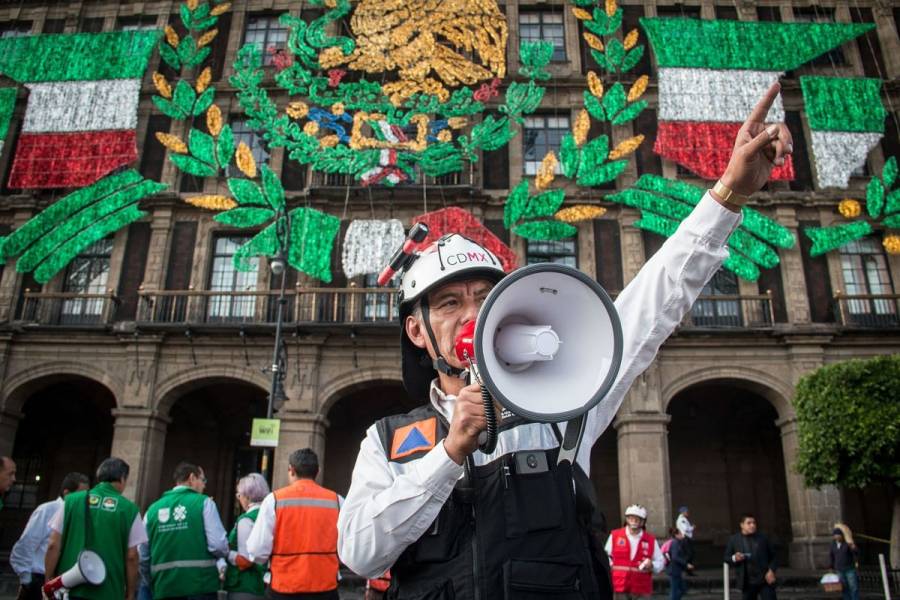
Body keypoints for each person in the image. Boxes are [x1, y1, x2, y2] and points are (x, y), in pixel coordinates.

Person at [336, 84, 793, 598]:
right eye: (448, 304)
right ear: (417, 330)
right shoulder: (387, 441)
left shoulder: (563, 410)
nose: (472, 314)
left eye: (485, 297)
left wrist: (729, 193)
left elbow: (650, 306)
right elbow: (360, 552)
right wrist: (449, 453)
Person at [44, 458, 146, 600]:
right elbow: (132, 556)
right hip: (109, 591)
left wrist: (49, 581)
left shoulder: (71, 501)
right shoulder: (130, 509)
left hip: (69, 589)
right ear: (122, 479)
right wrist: (130, 593)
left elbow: (53, 545)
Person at [247, 449, 341, 599]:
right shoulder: (336, 501)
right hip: (325, 588)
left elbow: (257, 550)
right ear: (318, 471)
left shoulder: (274, 500)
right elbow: (347, 547)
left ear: (291, 469)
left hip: (283, 588)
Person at [144, 462, 229, 600]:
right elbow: (218, 545)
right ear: (191, 478)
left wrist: (151, 582)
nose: (204, 485)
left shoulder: (152, 510)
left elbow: (143, 556)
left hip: (164, 587)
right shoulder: (205, 503)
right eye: (203, 480)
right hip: (200, 586)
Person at [10, 472, 90, 600]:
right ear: (67, 493)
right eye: (80, 495)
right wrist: (27, 580)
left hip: (62, 581)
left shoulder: (80, 515)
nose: (84, 499)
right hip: (39, 578)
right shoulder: (46, 510)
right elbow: (26, 544)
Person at [222, 473, 269, 600]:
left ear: (247, 496)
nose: (238, 498)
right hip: (261, 584)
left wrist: (225, 552)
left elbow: (245, 561)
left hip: (243, 585)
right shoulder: (268, 516)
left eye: (239, 495)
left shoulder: (246, 520)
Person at [605, 505, 664, 599]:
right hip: (619, 586)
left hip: (642, 588)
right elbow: (606, 556)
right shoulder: (615, 536)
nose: (634, 521)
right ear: (627, 519)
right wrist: (611, 566)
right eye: (631, 518)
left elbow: (661, 562)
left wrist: (652, 565)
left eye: (637, 519)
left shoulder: (650, 540)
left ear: (643, 521)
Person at [724, 514, 777, 600]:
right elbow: (726, 557)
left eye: (754, 523)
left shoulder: (763, 538)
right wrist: (734, 558)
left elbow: (774, 557)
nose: (752, 525)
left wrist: (771, 570)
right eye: (749, 523)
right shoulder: (734, 539)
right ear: (742, 525)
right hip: (747, 581)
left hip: (765, 579)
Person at [829, 524, 859, 600]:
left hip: (849, 569)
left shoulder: (847, 544)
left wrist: (853, 547)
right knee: (844, 587)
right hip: (839, 569)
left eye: (838, 535)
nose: (837, 537)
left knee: (853, 586)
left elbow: (855, 552)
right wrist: (831, 566)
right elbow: (831, 556)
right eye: (835, 535)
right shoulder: (833, 545)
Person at [666, 528, 693, 600]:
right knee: (675, 591)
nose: (682, 535)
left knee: (682, 589)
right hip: (674, 570)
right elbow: (675, 557)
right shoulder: (675, 543)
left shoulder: (678, 542)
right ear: (676, 535)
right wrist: (686, 564)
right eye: (680, 534)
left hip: (677, 570)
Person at [674, 506, 695, 574]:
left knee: (689, 554)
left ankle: (688, 569)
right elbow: (686, 529)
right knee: (689, 554)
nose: (687, 513)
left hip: (686, 538)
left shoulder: (684, 519)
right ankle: (687, 568)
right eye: (686, 511)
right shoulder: (681, 520)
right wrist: (692, 527)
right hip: (685, 538)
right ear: (683, 512)